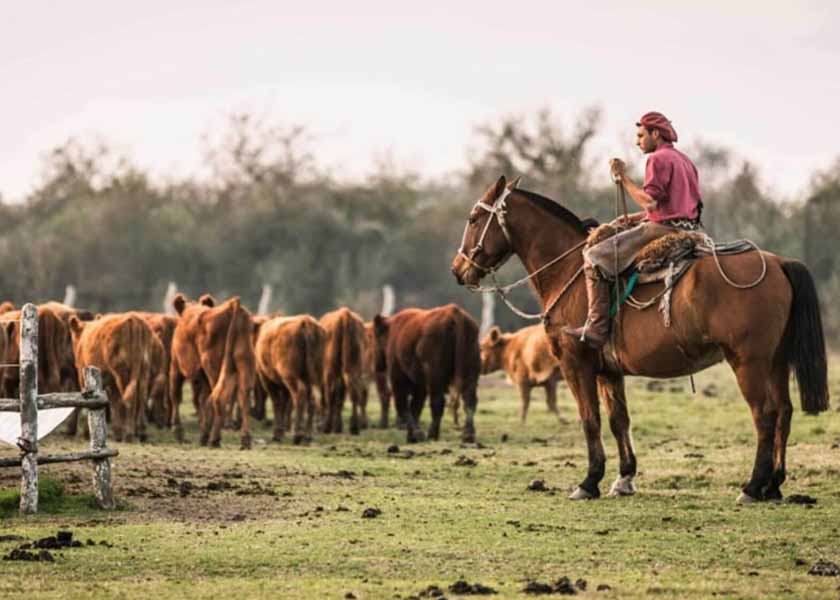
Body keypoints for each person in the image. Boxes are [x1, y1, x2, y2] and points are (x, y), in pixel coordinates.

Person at [562, 111, 702, 349]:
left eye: (640, 135)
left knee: (594, 256)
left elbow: (650, 202)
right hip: (691, 228)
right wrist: (630, 220)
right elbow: (672, 206)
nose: (637, 141)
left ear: (655, 134)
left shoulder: (657, 159)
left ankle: (596, 327)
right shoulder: (685, 160)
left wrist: (622, 177)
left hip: (663, 231)